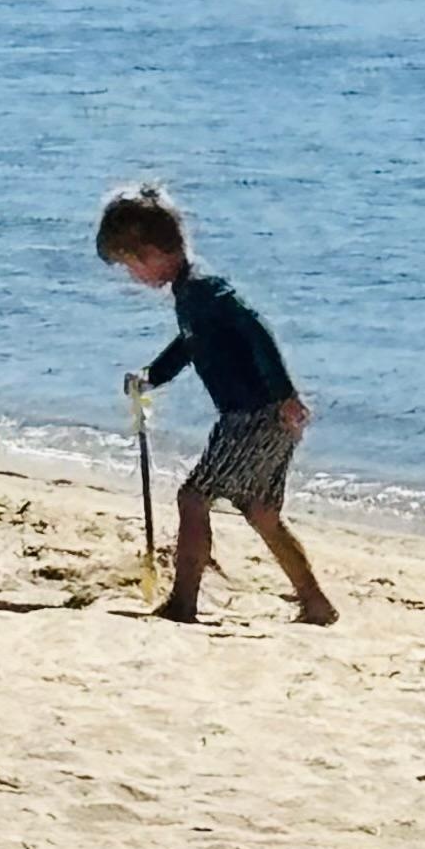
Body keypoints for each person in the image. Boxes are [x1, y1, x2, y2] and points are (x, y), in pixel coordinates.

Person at [96, 183, 335, 626]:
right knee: (261, 511)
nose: (133, 278)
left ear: (152, 253)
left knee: (193, 498)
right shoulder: (190, 296)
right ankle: (315, 603)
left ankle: (183, 603)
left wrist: (285, 393)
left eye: (131, 266)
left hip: (255, 415)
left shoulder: (204, 290)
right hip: (257, 414)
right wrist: (152, 375)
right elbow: (190, 344)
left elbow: (255, 329)